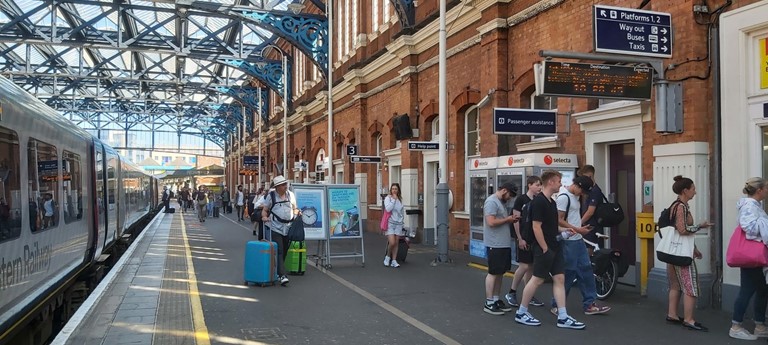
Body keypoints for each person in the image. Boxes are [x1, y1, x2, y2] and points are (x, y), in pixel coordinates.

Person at [515, 170, 585, 330]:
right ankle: (521, 312)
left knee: (559, 279)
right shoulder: (539, 202)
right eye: (559, 181)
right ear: (551, 182)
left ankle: (563, 316)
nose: (561, 184)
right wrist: (545, 247)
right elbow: (536, 226)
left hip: (555, 246)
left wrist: (565, 231)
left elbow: (552, 226)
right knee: (537, 279)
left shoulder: (552, 202)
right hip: (544, 248)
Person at [551, 176, 611, 316]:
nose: (582, 194)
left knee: (586, 270)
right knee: (568, 272)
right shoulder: (564, 197)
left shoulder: (574, 197)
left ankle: (589, 303)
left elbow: (570, 218)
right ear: (576, 185)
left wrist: (580, 228)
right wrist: (577, 229)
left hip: (577, 239)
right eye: (582, 191)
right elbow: (558, 220)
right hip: (569, 240)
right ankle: (557, 304)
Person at [665, 175, 713, 331]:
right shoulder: (681, 207)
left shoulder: (675, 205)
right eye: (693, 189)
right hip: (681, 254)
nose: (695, 192)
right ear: (685, 191)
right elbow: (683, 229)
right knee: (691, 285)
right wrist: (700, 226)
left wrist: (695, 248)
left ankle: (672, 314)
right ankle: (689, 319)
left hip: (672, 250)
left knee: (675, 284)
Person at [729, 177, 768, 340]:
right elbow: (750, 229)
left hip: (753, 256)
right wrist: (764, 224)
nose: (767, 190)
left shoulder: (753, 205)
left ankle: (759, 325)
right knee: (748, 289)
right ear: (759, 190)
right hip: (752, 256)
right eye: (766, 187)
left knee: (762, 290)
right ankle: (735, 326)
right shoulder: (750, 207)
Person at [506, 176, 545, 308]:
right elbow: (516, 220)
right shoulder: (521, 199)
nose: (539, 188)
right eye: (537, 185)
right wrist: (519, 238)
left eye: (540, 185)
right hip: (524, 236)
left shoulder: (539, 200)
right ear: (529, 185)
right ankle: (512, 292)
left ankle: (529, 294)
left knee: (531, 267)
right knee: (524, 266)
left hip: (534, 238)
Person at [482, 182, 519, 315]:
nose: (509, 198)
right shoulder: (491, 202)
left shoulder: (500, 202)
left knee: (500, 272)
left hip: (503, 243)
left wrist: (510, 219)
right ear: (504, 190)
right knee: (493, 272)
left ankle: (496, 299)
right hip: (494, 244)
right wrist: (507, 220)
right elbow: (491, 222)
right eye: (509, 195)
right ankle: (489, 301)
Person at [261, 176, 299, 286]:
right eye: (283, 185)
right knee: (280, 249)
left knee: (285, 249)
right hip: (275, 227)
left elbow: (294, 208)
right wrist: (264, 217)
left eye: (286, 184)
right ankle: (283, 275)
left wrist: (296, 214)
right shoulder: (271, 196)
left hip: (288, 227)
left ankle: (278, 270)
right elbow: (265, 210)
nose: (285, 186)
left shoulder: (290, 195)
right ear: (277, 187)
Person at [577, 165, 605, 251]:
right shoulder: (589, 190)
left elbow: (590, 212)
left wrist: (579, 223)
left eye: (584, 178)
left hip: (592, 226)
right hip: (589, 225)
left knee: (589, 250)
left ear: (590, 176)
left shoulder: (595, 191)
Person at [383, 183, 405, 268]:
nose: (394, 190)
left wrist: (402, 220)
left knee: (396, 243)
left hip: (399, 223)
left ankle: (394, 260)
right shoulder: (388, 198)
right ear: (391, 190)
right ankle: (387, 257)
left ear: (398, 190)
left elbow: (401, 211)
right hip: (390, 223)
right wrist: (393, 200)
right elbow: (388, 209)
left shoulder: (400, 199)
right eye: (393, 189)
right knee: (391, 242)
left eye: (396, 189)